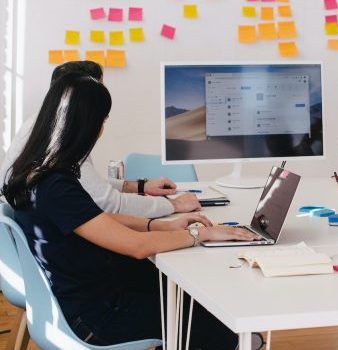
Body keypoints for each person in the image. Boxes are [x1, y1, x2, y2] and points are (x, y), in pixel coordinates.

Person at [2, 73, 258, 348]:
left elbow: (93, 219)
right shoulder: (56, 185)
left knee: (181, 295)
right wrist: (201, 234)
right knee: (229, 332)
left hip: (83, 300)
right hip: (97, 318)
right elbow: (136, 247)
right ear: (87, 125)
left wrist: (159, 225)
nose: (103, 128)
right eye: (103, 119)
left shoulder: (34, 172)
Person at [0, 60, 200, 218]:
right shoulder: (60, 140)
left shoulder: (42, 126)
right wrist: (173, 205)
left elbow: (86, 186)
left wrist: (139, 186)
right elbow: (108, 204)